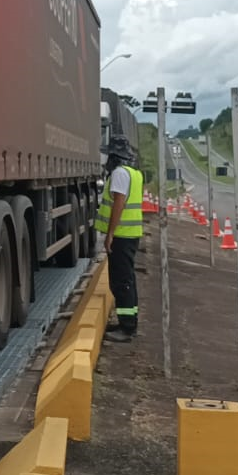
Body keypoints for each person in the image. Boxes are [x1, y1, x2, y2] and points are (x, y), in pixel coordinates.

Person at [94, 135, 144, 342]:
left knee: (121, 281)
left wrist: (110, 234)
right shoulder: (134, 173)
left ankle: (127, 328)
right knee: (126, 279)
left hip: (122, 235)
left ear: (114, 156)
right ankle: (128, 321)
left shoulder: (119, 174)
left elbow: (119, 204)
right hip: (130, 234)